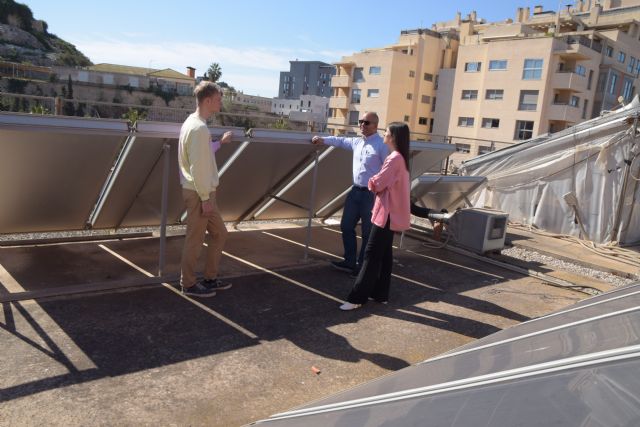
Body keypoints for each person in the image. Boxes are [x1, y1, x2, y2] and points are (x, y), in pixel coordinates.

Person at [339, 122, 411, 310]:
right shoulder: (401, 158)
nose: (384, 135)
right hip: (392, 214)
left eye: (386, 132)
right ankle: (381, 294)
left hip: (386, 214)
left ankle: (356, 299)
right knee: (385, 256)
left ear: (393, 137)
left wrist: (371, 181)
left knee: (370, 256)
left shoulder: (394, 159)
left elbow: (377, 183)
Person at [311, 112, 388, 276]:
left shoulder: (381, 145)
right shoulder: (357, 142)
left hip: (371, 195)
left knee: (368, 233)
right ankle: (349, 261)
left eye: (366, 123)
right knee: (346, 226)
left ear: (375, 125)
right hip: (355, 192)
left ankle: (362, 266)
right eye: (360, 122)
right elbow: (340, 140)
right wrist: (322, 139)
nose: (362, 125)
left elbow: (388, 170)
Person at [178, 81, 234, 298]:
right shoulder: (199, 128)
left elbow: (200, 156)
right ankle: (188, 284)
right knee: (194, 239)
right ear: (208, 100)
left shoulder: (193, 124)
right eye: (219, 99)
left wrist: (220, 142)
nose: (221, 103)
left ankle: (210, 278)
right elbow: (198, 167)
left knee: (220, 233)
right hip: (199, 193)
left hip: (202, 192)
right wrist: (205, 198)